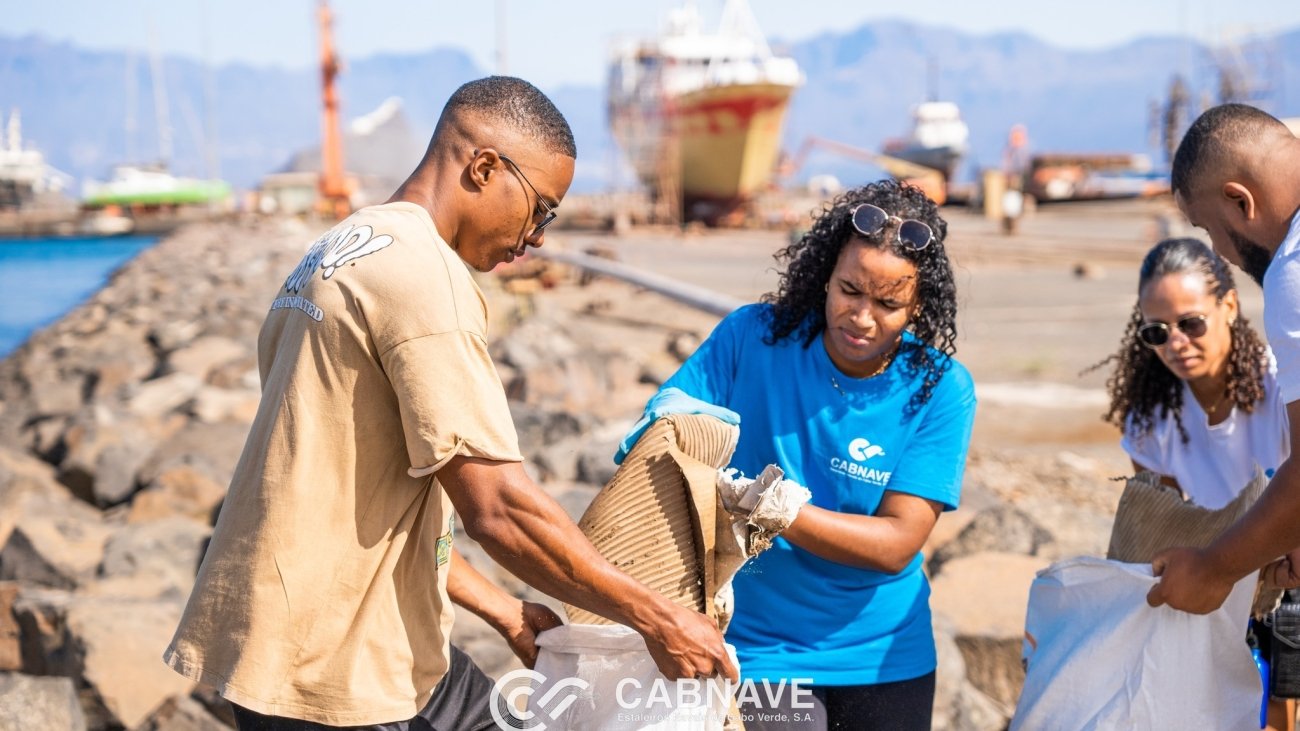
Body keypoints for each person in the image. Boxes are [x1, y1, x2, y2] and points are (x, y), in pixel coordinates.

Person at [162, 76, 736, 730]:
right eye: (541, 208)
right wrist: (659, 618)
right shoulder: (424, 277)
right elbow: (499, 509)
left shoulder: (337, 249)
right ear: (485, 167)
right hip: (329, 666)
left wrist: (505, 609)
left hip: (302, 636)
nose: (539, 237)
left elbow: (368, 501)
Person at [629, 179, 976, 730]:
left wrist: (778, 511)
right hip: (760, 656)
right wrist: (668, 421)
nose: (862, 317)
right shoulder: (752, 338)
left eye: (888, 304)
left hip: (884, 658)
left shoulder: (941, 387)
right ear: (823, 278)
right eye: (849, 291)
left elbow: (896, 543)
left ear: (918, 308)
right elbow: (666, 425)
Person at [1096, 237, 1292, 729]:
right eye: (1157, 333)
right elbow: (1158, 532)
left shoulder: (1283, 387)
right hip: (1216, 590)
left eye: (1191, 323)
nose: (1176, 343)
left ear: (1229, 305)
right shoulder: (1150, 419)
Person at [1147, 103, 1300, 616]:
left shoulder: (1293, 272)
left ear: (1239, 201)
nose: (1221, 251)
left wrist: (1214, 569)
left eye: (1208, 229)